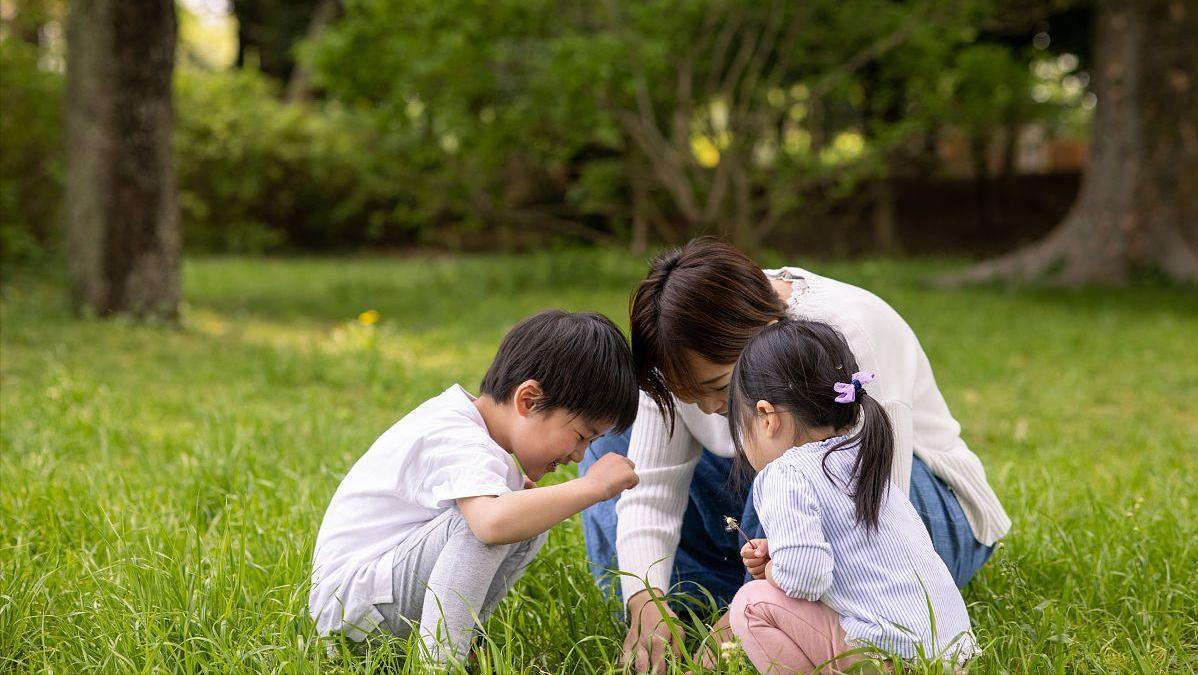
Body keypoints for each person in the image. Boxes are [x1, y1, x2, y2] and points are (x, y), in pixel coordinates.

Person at [578, 239, 1009, 672]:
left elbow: (875, 513)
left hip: (907, 508)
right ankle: (698, 608)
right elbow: (653, 486)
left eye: (716, 387)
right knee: (611, 454)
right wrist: (644, 598)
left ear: (765, 330)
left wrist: (738, 622)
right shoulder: (675, 344)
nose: (707, 407)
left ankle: (758, 603)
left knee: (790, 465)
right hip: (786, 523)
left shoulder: (848, 327)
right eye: (686, 394)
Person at [309, 310, 640, 665]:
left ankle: (462, 644)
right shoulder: (459, 434)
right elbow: (490, 524)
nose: (578, 455)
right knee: (491, 524)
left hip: (374, 602)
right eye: (581, 436)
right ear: (528, 400)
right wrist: (593, 487)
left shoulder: (477, 438)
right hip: (352, 607)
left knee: (527, 514)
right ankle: (441, 661)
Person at [726, 319, 977, 673]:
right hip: (950, 653)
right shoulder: (862, 454)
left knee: (751, 604)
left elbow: (805, 577)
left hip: (890, 660)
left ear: (766, 417)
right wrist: (781, 552)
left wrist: (771, 569)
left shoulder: (786, 473)